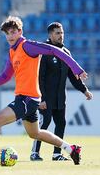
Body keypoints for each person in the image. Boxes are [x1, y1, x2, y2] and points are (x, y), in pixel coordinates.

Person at [0, 16, 87, 167]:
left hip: (27, 99)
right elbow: (5, 76)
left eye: (12, 32)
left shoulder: (27, 46)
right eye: (7, 33)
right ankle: (71, 149)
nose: (10, 36)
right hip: (27, 99)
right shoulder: (12, 51)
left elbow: (53, 50)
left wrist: (76, 68)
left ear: (20, 32)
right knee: (35, 134)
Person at [30, 22, 93, 161]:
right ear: (50, 34)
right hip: (45, 97)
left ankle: (57, 153)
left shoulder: (66, 53)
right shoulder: (44, 52)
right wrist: (42, 98)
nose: (61, 36)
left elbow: (72, 76)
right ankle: (34, 153)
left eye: (62, 33)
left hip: (60, 97)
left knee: (61, 123)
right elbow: (39, 78)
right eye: (57, 33)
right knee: (44, 123)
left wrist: (84, 90)